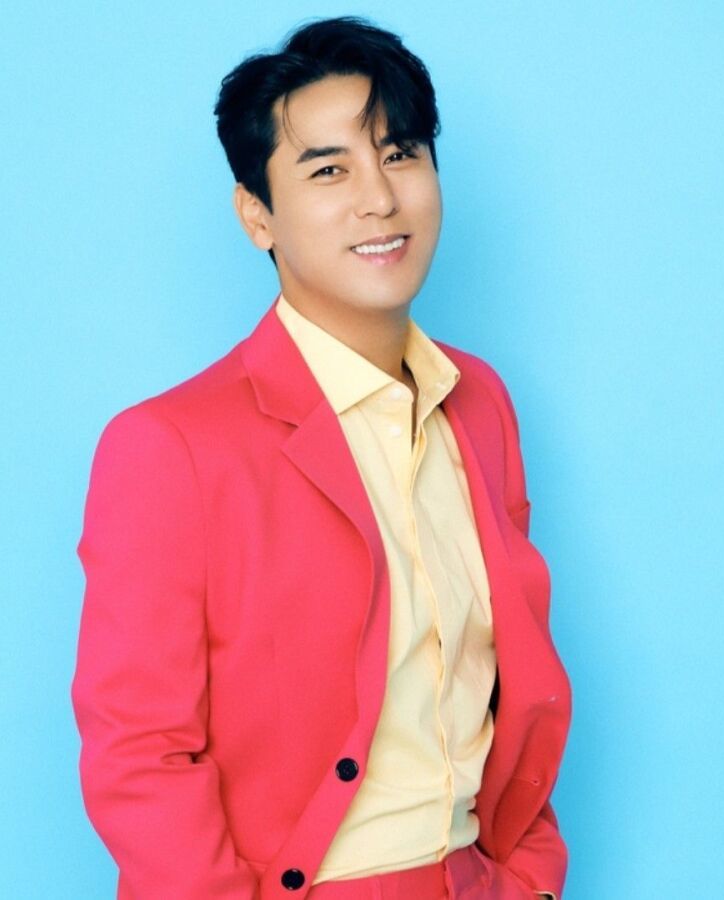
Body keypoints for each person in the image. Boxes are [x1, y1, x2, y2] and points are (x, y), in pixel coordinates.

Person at [71, 16, 572, 900]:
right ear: (256, 215)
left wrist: (531, 878)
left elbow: (511, 678)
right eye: (328, 170)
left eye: (401, 153)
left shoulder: (480, 402)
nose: (379, 199)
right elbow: (139, 751)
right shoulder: (170, 447)